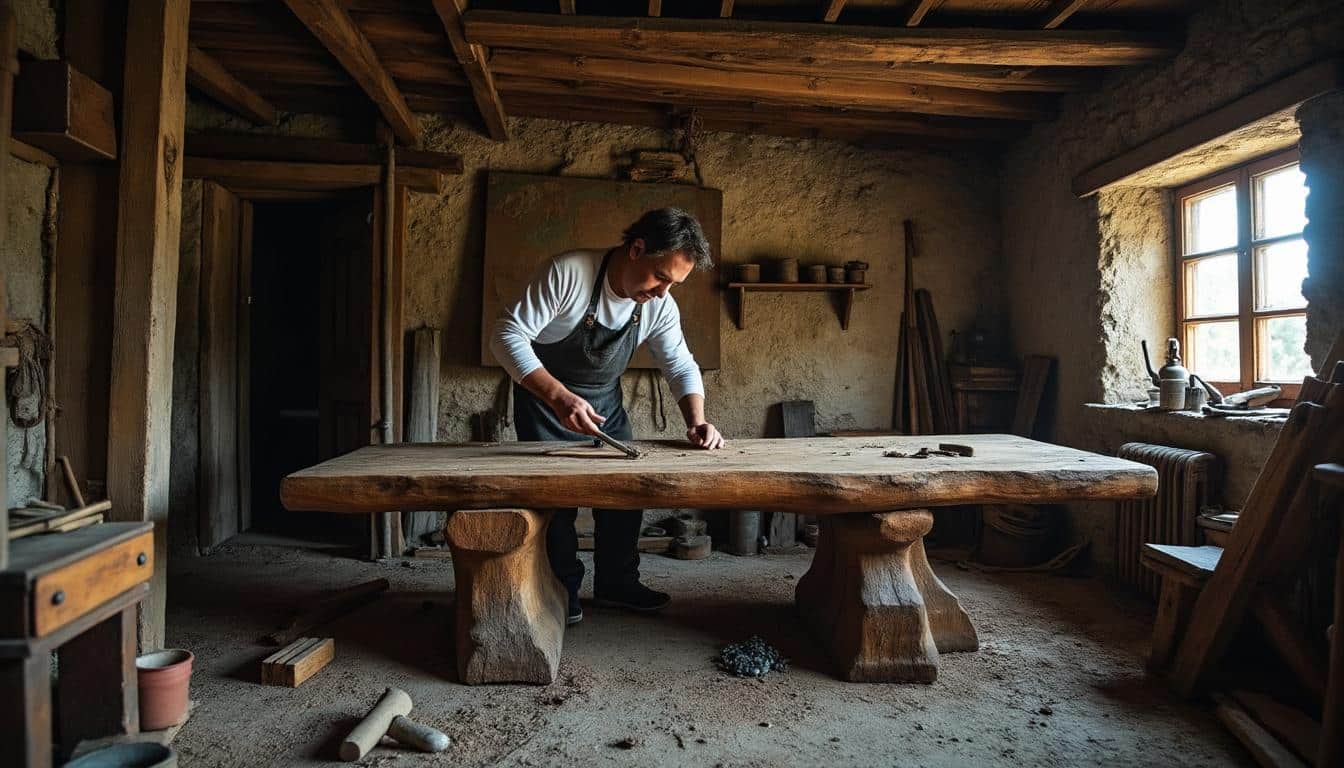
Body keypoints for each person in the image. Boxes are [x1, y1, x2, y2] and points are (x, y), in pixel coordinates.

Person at [490, 207, 725, 625]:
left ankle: (617, 583)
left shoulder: (658, 305)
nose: (663, 292)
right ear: (636, 249)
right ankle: (562, 589)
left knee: (624, 493)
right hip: (546, 404)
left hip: (606, 406)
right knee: (554, 505)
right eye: (661, 277)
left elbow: (680, 365)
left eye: (674, 284)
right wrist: (560, 398)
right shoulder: (569, 273)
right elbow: (506, 335)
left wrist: (697, 419)